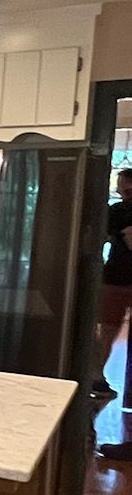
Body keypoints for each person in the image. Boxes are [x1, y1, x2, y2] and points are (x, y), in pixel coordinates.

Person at [95, 167, 132, 462]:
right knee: (107, 330)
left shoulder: (120, 212)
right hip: (115, 278)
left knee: (107, 331)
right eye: (121, 188)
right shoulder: (116, 211)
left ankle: (98, 377)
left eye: (127, 188)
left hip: (118, 278)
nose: (122, 193)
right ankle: (97, 377)